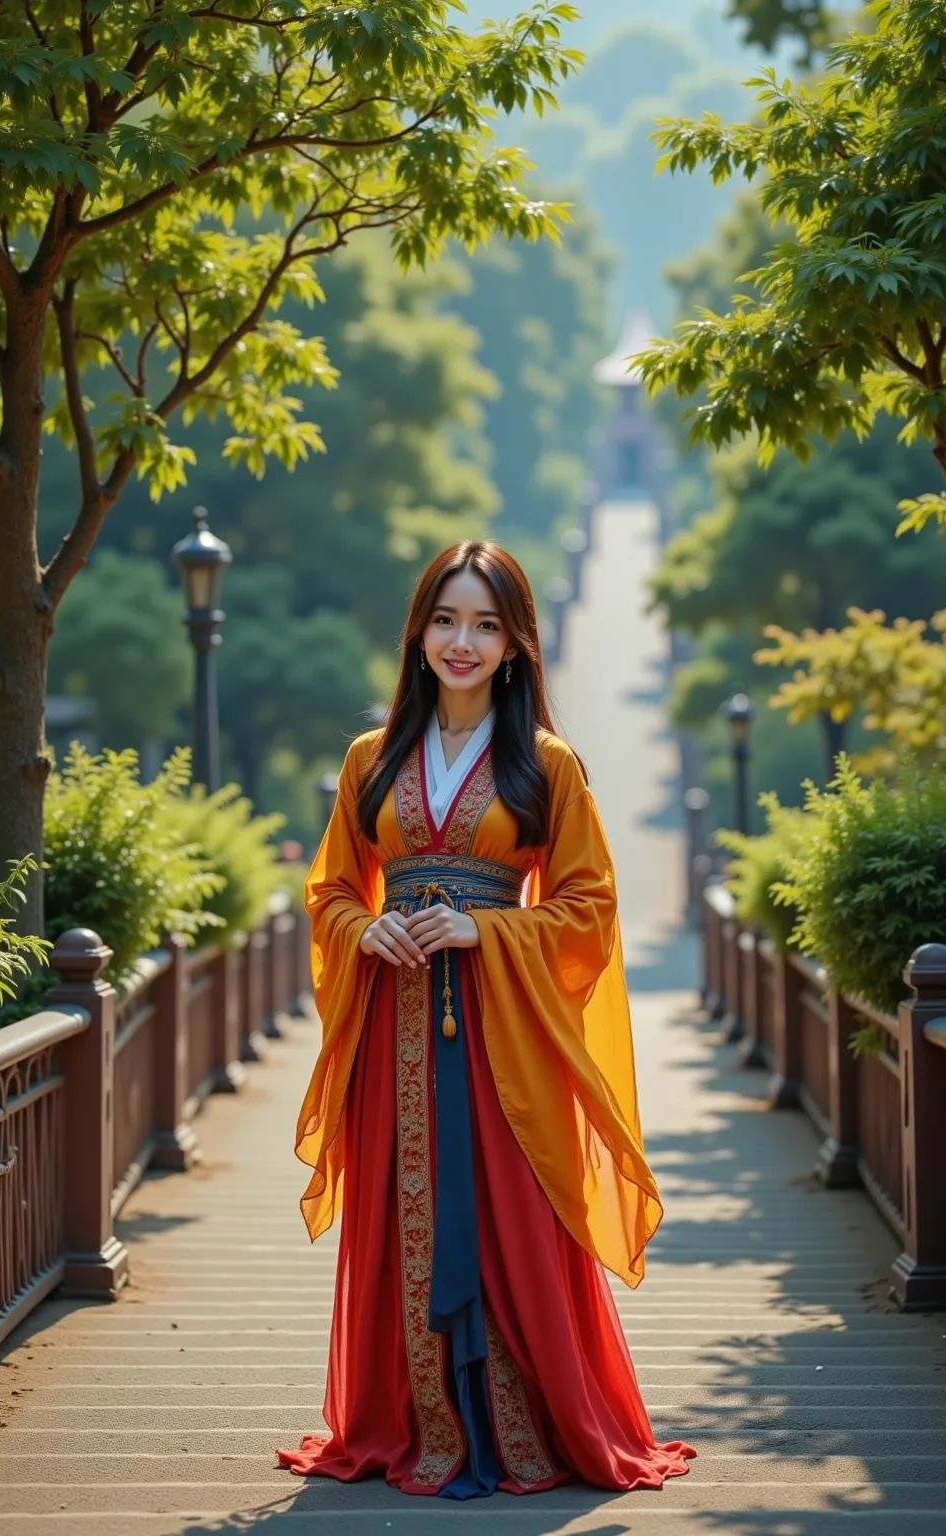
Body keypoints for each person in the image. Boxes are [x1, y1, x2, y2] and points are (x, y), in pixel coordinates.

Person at [276, 541, 695, 1498]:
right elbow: (332, 887)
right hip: (395, 1025)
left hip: (502, 1032)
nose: (461, 642)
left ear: (515, 646)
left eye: (485, 625)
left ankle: (523, 1425)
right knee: (405, 1204)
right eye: (445, 620)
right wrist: (364, 931)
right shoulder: (368, 760)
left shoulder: (547, 764)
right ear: (419, 632)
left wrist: (484, 926)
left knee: (509, 1211)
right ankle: (416, 1417)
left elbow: (589, 904)